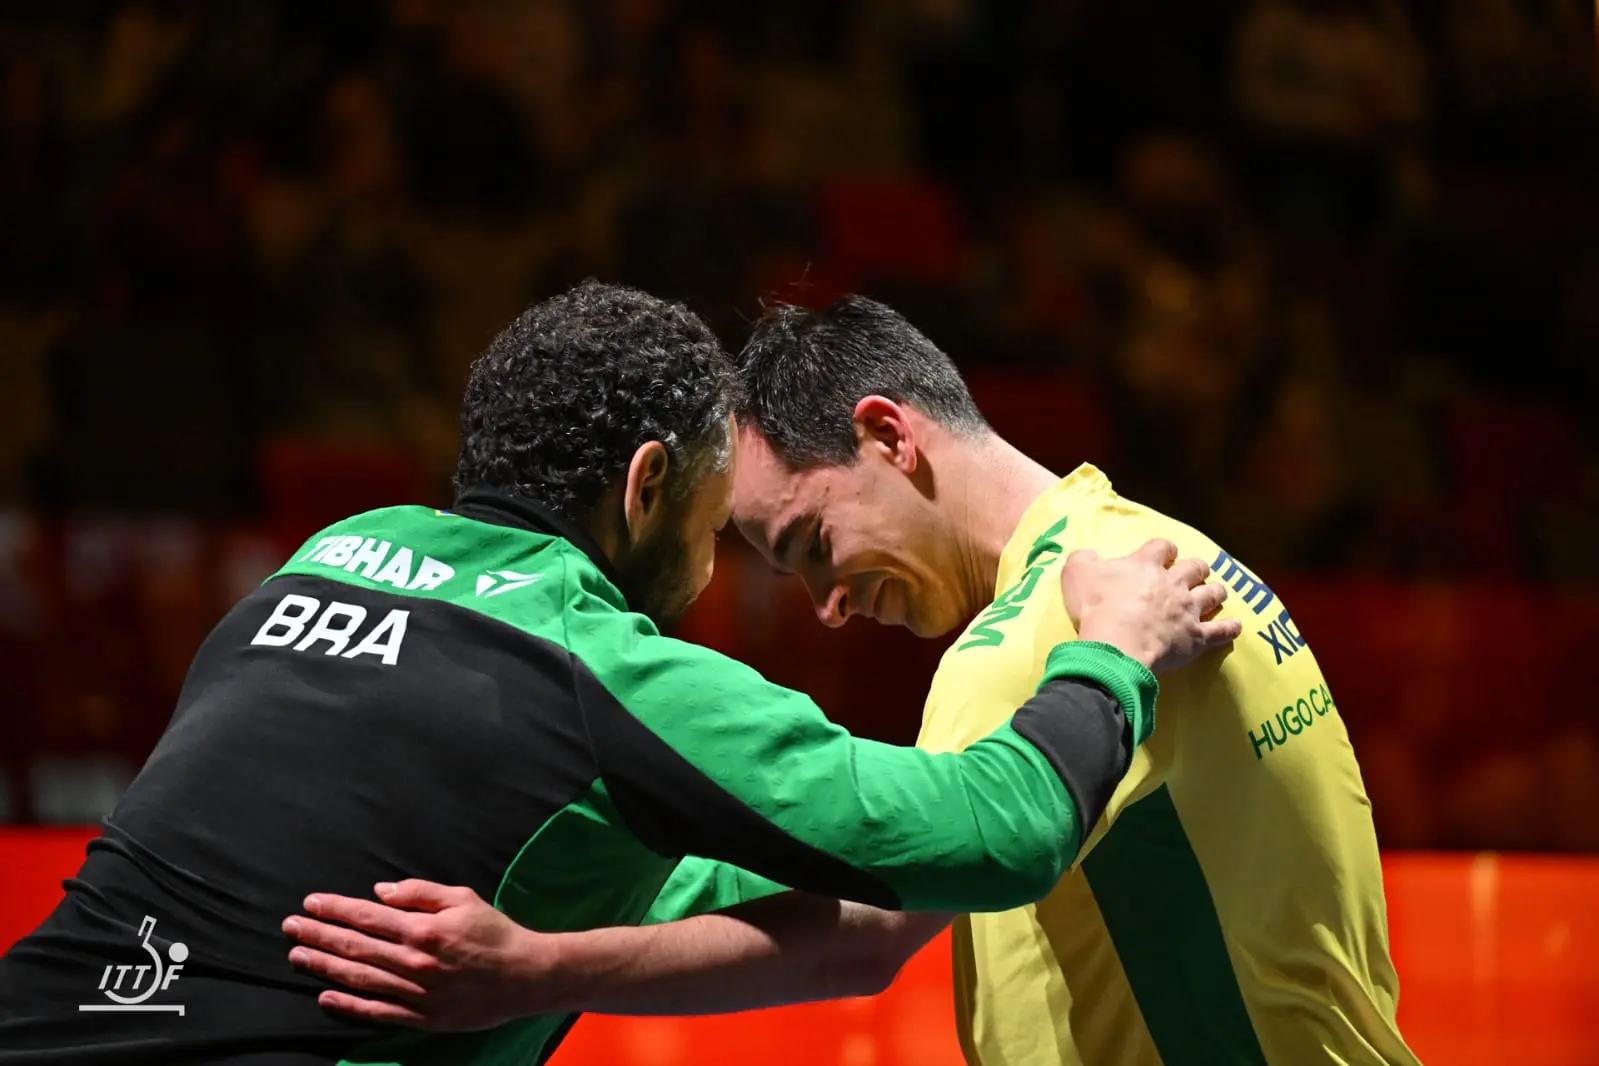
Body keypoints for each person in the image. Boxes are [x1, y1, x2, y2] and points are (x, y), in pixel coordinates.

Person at [0, 282, 1237, 1066]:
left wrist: (552, 964)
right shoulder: (598, 669)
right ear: (646, 488)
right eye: (712, 531)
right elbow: (1007, 832)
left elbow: (640, 860)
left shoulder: (318, 564)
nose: (707, 573)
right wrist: (1108, 657)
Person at [286, 295, 1419, 1065]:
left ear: (888, 434)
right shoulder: (1169, 548)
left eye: (813, 546)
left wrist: (534, 970)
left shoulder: (1046, 639)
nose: (829, 605)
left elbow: (862, 934)